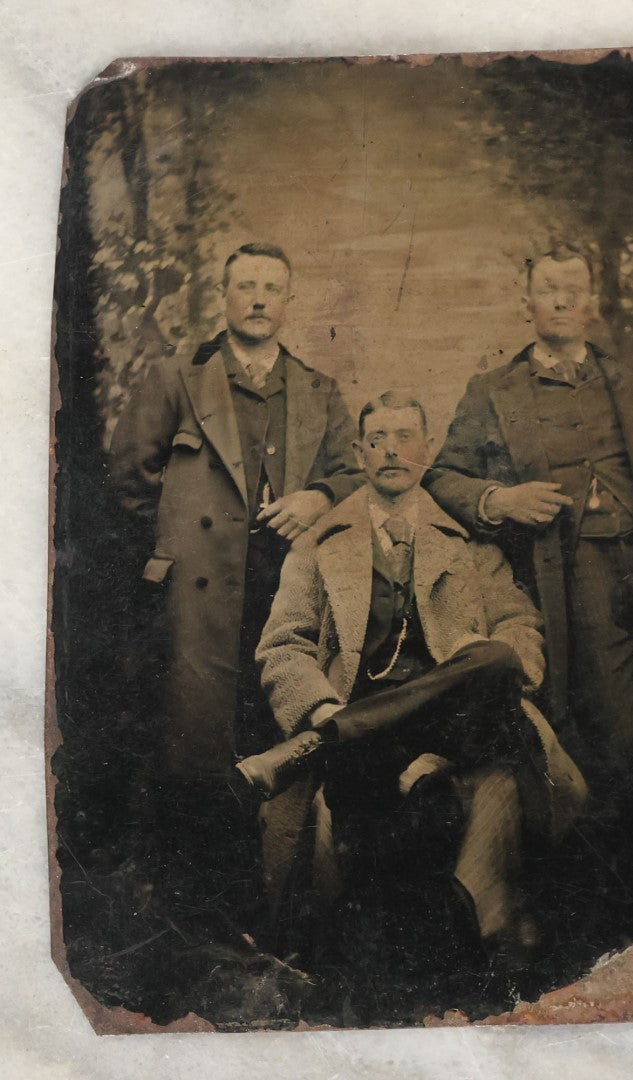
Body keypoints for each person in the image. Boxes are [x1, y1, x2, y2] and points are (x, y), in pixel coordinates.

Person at [423, 243, 633, 920]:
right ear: (526, 304)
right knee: (618, 733)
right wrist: (501, 502)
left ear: (592, 303)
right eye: (548, 290)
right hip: (578, 578)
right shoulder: (494, 392)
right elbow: (442, 477)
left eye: (574, 289)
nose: (562, 301)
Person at [236, 392, 586, 975]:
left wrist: (484, 658)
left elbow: (520, 626)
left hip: (456, 723)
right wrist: (320, 708)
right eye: (377, 440)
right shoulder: (319, 545)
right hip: (355, 717)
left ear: (427, 451)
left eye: (405, 437)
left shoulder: (471, 544)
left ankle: (479, 928)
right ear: (359, 452)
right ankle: (373, 754)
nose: (392, 450)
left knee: (495, 659)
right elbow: (283, 645)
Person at [108, 242, 361, 1008]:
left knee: (272, 741)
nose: (258, 298)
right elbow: (126, 478)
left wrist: (316, 498)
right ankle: (202, 928)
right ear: (222, 296)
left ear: (289, 302)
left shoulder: (317, 389)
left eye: (272, 288)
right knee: (195, 748)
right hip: (200, 599)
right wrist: (177, 545)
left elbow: (351, 470)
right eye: (244, 285)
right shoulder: (176, 378)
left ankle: (271, 923)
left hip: (283, 597)